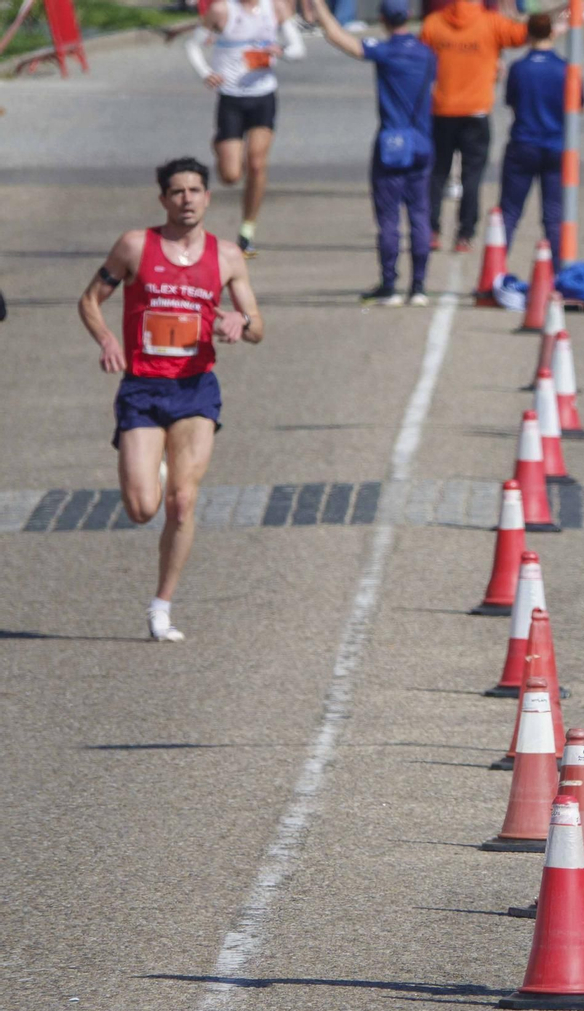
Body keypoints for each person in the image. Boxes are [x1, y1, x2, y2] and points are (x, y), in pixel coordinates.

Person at [76, 158, 264, 642]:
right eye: (177, 192)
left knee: (182, 503)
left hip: (195, 388)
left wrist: (239, 325)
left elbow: (258, 326)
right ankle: (155, 468)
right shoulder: (136, 245)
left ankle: (162, 606)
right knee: (142, 509)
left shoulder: (226, 257)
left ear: (207, 197)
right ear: (163, 199)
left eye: (195, 190)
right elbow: (90, 300)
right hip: (142, 387)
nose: (187, 199)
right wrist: (108, 341)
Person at [306, 0, 436, 306]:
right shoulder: (427, 53)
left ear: (383, 19)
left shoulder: (386, 51)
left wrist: (318, 6)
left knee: (389, 218)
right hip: (422, 142)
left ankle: (389, 284)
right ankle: (418, 286)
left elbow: (339, 37)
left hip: (391, 144)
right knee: (420, 215)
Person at [185, 0, 306, 257]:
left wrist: (281, 50)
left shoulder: (276, 7)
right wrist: (205, 72)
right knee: (230, 176)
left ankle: (247, 231)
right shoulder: (221, 10)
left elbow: (299, 49)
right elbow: (193, 45)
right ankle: (220, 144)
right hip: (231, 96)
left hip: (264, 95)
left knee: (257, 163)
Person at [420, 0, 528, 252]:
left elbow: (421, 58)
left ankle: (431, 230)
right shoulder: (490, 23)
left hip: (442, 110)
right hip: (476, 111)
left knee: (437, 174)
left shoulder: (434, 24)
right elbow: (525, 34)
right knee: (472, 176)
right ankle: (464, 234)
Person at [500, 12, 582, 268]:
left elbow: (511, 102)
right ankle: (559, 274)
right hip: (557, 146)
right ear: (551, 33)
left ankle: (496, 269)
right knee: (554, 215)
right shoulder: (566, 69)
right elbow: (578, 105)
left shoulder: (519, 69)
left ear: (528, 33)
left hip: (524, 143)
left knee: (510, 213)